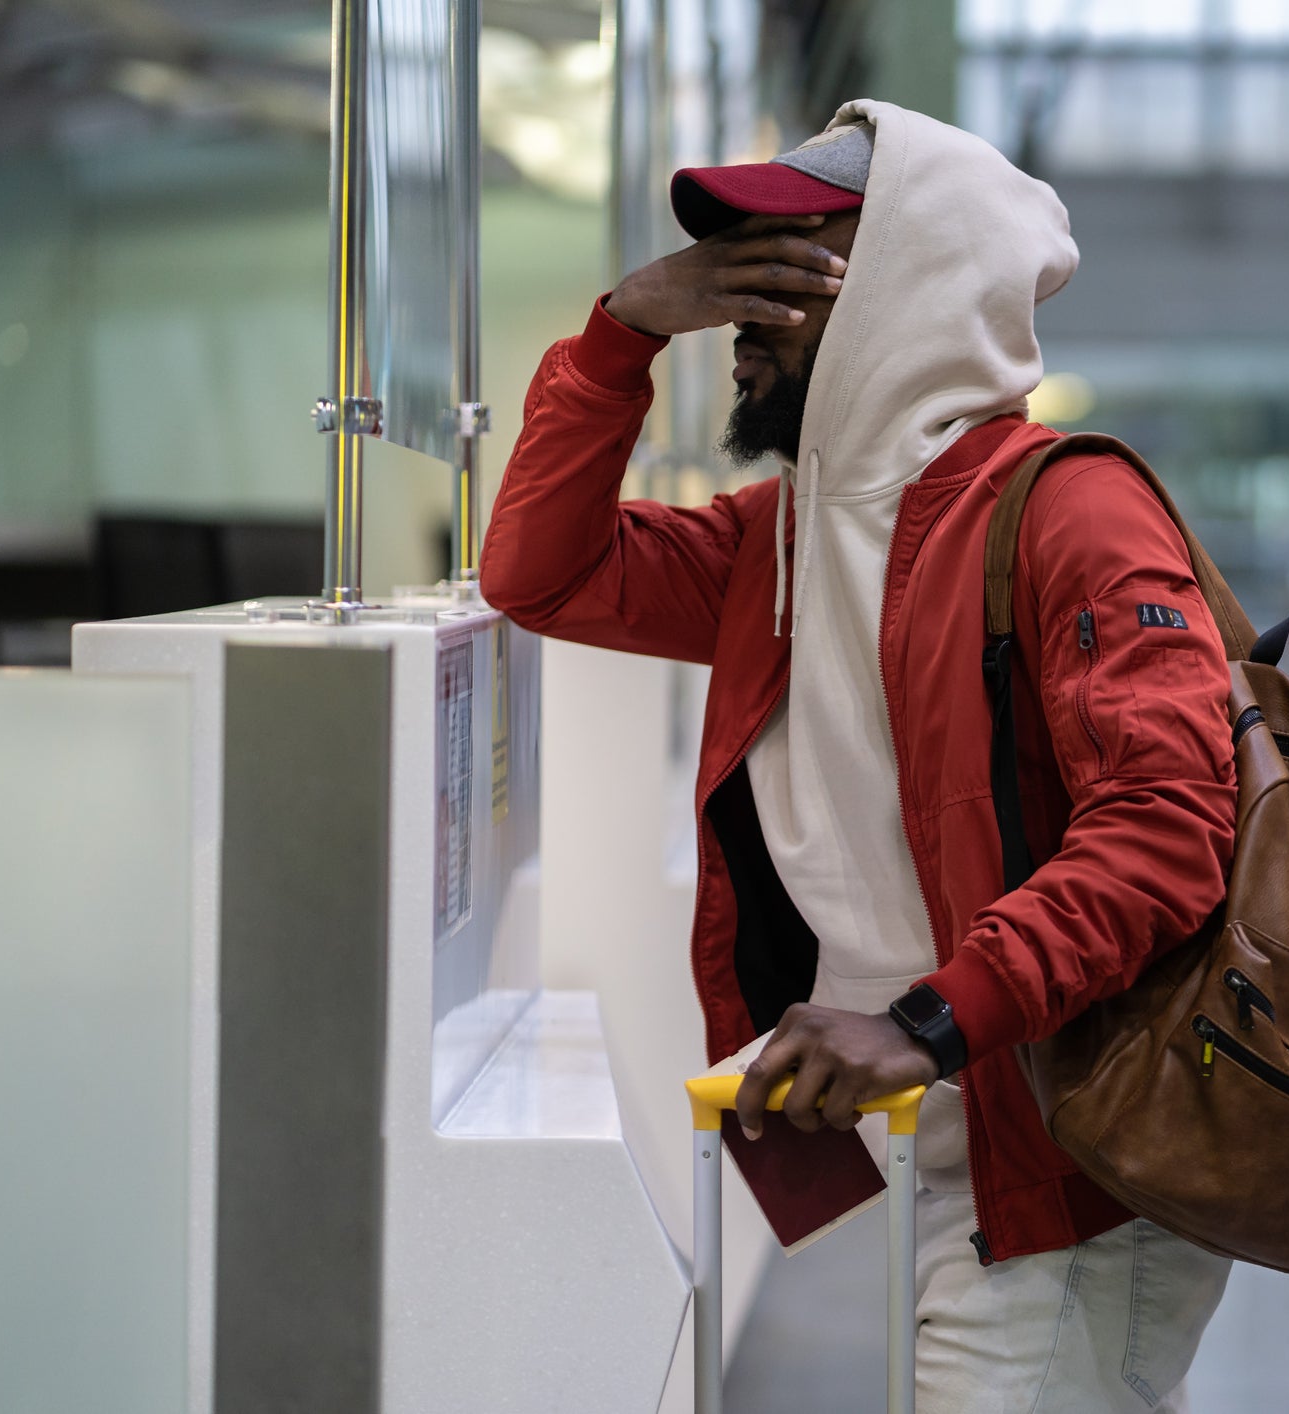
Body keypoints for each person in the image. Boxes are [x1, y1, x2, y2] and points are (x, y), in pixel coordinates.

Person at [480, 103, 1235, 1411]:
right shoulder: (777, 541)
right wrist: (624, 330)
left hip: (1071, 1162)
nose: (739, 316)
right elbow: (539, 574)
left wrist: (924, 1023)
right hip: (959, 1143)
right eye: (732, 276)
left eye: (783, 270)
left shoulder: (1070, 511)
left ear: (900, 288)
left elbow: (1167, 832)